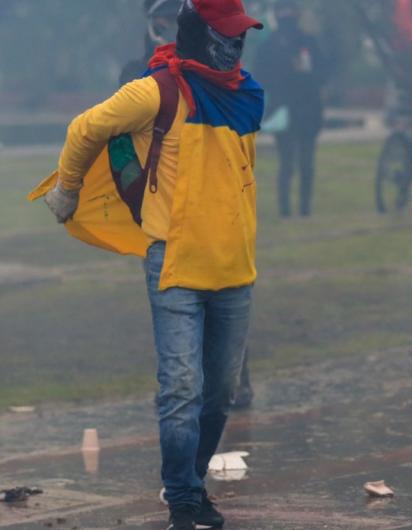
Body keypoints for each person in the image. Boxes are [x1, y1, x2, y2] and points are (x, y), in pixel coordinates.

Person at [39, 1, 264, 528]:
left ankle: (190, 481)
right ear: (200, 35)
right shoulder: (155, 90)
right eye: (226, 33)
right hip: (174, 262)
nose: (236, 44)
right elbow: (85, 128)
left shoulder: (247, 95)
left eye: (240, 34)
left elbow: (242, 175)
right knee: (182, 386)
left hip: (235, 265)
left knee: (220, 393)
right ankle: (183, 500)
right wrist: (68, 189)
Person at [255, 0, 327, 218]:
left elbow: (321, 73)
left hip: (304, 108)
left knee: (304, 162)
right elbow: (261, 77)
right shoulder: (271, 46)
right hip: (285, 110)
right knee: (288, 163)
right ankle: (286, 209)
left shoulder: (308, 42)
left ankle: (303, 208)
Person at [120, 0, 184, 86]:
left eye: (179, 20)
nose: (174, 27)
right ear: (152, 24)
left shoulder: (198, 69)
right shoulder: (134, 74)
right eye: (169, 19)